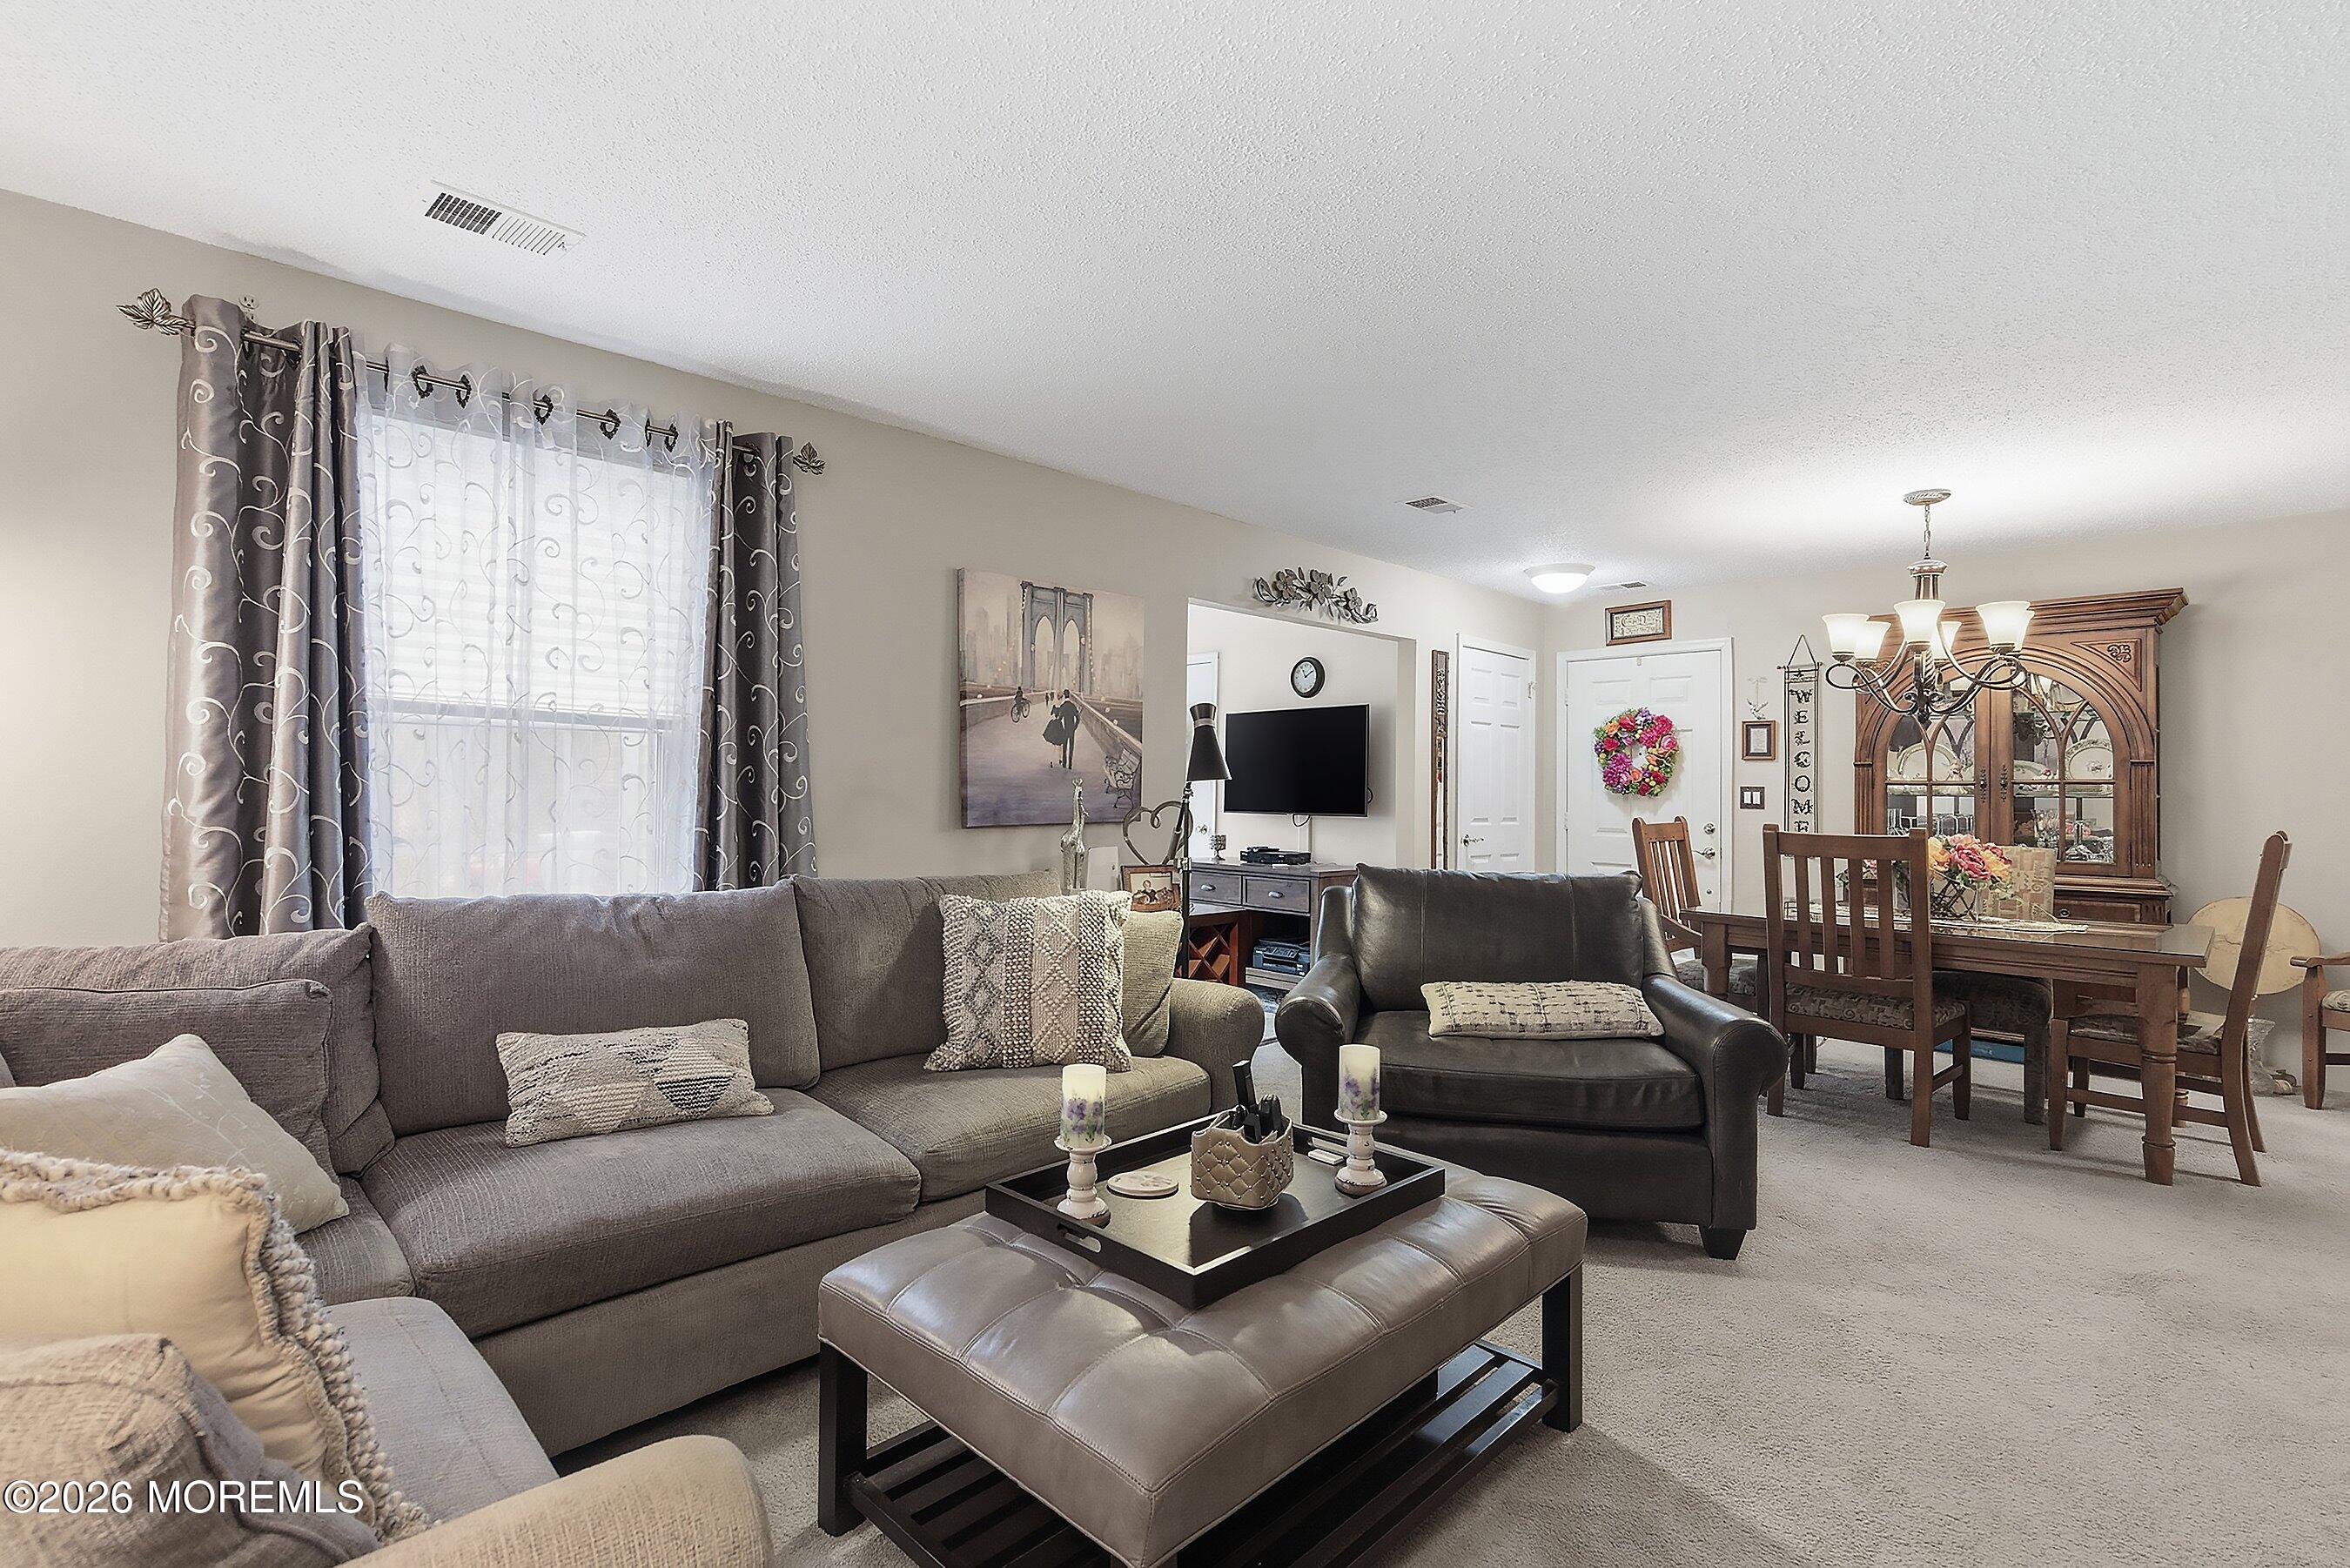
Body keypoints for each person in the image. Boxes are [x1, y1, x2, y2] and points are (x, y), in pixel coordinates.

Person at [1052, 689, 1081, 769]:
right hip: (1071, 729)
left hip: (1065, 729)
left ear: (1064, 696)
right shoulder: (1073, 706)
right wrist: (1075, 727)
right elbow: (1078, 718)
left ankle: (1064, 764)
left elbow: (1060, 718)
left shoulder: (1063, 706)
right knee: (1071, 747)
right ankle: (1070, 765)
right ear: (1069, 695)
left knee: (1065, 746)